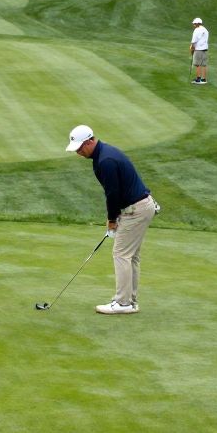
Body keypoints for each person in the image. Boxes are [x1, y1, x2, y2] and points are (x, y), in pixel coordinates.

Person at [65, 125, 159, 315]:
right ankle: (130, 302)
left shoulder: (105, 160)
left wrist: (111, 220)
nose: (79, 153)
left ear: (90, 141)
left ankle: (123, 303)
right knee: (130, 256)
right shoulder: (103, 155)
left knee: (121, 254)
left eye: (81, 148)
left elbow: (113, 194)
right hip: (140, 206)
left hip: (136, 210)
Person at [190, 17, 209, 85]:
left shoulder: (197, 30)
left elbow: (194, 40)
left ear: (197, 24)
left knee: (197, 64)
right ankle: (204, 79)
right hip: (205, 48)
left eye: (194, 24)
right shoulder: (205, 30)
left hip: (198, 49)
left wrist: (192, 47)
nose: (194, 25)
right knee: (204, 65)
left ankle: (198, 79)